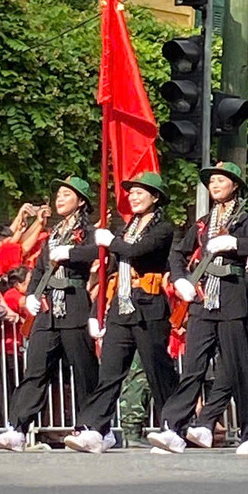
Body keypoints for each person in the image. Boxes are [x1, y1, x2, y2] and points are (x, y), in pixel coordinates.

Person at [148, 161, 248, 456]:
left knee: (238, 367)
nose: (215, 185)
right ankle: (174, 428)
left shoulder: (244, 220)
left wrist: (235, 243)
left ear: (235, 186)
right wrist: (181, 279)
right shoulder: (203, 223)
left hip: (232, 299)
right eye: (212, 181)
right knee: (193, 366)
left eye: (221, 180)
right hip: (204, 300)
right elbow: (178, 253)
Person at [65, 172, 176, 455]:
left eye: (141, 192)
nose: (134, 197)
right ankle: (95, 428)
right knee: (110, 372)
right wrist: (96, 310)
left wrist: (110, 241)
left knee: (157, 370)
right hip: (121, 307)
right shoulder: (126, 228)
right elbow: (111, 270)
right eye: (132, 192)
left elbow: (137, 251)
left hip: (149, 308)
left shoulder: (163, 228)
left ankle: (174, 425)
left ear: (155, 197)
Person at [0, 176, 99, 451]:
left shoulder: (88, 231)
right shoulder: (55, 232)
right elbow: (39, 268)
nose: (60, 199)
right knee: (36, 369)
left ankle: (91, 426)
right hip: (48, 309)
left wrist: (71, 252)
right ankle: (17, 428)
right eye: (59, 194)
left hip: (74, 303)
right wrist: (31, 295)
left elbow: (96, 253)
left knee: (83, 369)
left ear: (81, 202)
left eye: (66, 194)